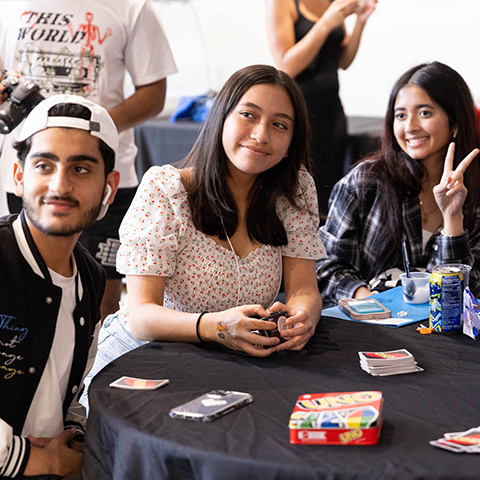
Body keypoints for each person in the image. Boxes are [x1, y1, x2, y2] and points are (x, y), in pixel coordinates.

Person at [80, 64, 324, 407]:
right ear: (220, 118)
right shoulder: (166, 190)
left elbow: (304, 290)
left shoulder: (295, 191)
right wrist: (217, 327)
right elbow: (141, 317)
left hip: (234, 364)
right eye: (248, 115)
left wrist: (302, 319)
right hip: (143, 359)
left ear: (290, 144)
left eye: (279, 125)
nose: (261, 134)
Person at [0, 0, 177, 320]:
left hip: (102, 175)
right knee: (22, 297)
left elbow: (153, 94)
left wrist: (90, 129)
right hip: (33, 173)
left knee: (99, 305)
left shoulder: (133, 7)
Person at [0, 94, 120, 478]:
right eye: (43, 165)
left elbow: (67, 387)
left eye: (81, 169)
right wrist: (34, 459)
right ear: (19, 177)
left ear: (109, 187)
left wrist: (74, 434)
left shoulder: (91, 278)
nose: (59, 185)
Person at [316, 61, 480, 307]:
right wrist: (366, 299)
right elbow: (323, 263)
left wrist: (452, 218)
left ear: (454, 122)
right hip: (369, 324)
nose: (410, 127)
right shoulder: (365, 182)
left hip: (445, 336)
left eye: (425, 112)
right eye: (400, 115)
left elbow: (459, 296)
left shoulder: (474, 194)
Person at [266, 0, 377, 213]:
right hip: (297, 110)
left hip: (331, 110)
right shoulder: (281, 3)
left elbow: (342, 61)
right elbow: (286, 65)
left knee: (329, 187)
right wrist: (326, 22)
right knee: (296, 187)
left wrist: (360, 23)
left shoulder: (331, 2)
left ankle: (323, 242)